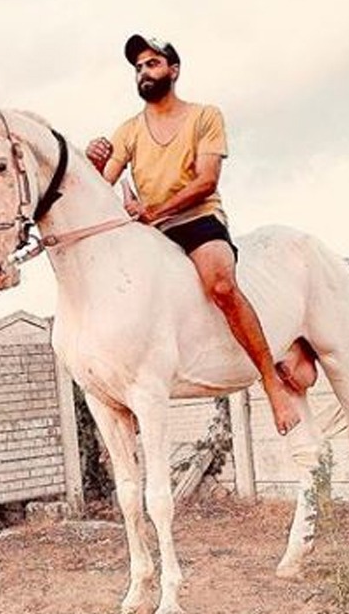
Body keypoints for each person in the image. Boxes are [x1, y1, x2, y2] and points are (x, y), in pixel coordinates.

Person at [85, 34, 300, 436]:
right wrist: (94, 164)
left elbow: (206, 181)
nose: (143, 72)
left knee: (220, 283)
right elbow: (102, 191)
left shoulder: (205, 116)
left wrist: (153, 211)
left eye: (152, 63)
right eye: (138, 67)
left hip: (197, 219)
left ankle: (270, 381)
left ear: (173, 70)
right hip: (150, 231)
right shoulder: (128, 130)